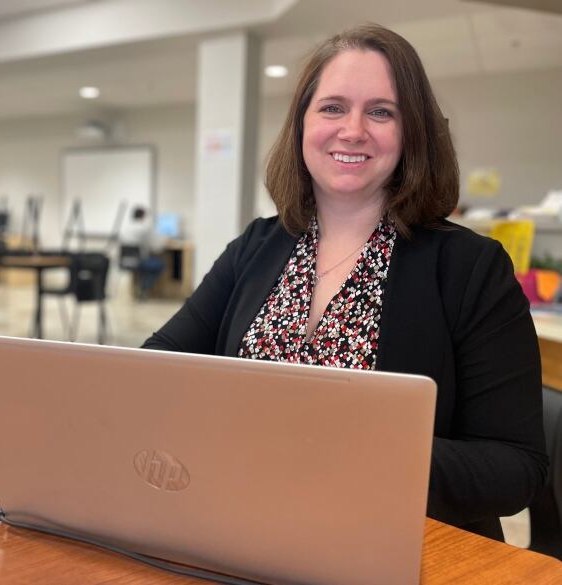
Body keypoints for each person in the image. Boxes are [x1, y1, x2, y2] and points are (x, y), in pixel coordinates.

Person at [142, 23, 547, 541]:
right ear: (302, 125)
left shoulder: (471, 267)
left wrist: (350, 455)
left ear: (412, 132)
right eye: (332, 107)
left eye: (381, 111)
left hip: (393, 545)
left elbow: (516, 468)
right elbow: (156, 369)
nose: (352, 130)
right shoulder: (257, 246)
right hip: (241, 526)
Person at [121, 206, 166, 299]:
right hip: (139, 262)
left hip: (124, 261)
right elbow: (156, 247)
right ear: (143, 216)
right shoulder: (144, 228)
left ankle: (139, 287)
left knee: (144, 265)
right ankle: (143, 287)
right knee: (160, 264)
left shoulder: (125, 228)